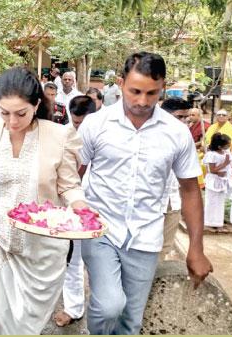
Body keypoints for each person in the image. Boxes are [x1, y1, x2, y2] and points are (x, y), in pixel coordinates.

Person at [77, 52, 212, 335]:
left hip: (146, 235)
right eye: (135, 91)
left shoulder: (176, 133)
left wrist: (196, 249)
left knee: (130, 321)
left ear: (163, 86)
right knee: (108, 305)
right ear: (120, 83)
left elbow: (190, 190)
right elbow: (74, 175)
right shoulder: (95, 125)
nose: (142, 101)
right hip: (99, 230)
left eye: (152, 93)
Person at [0, 67, 90, 335]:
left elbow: (69, 186)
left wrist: (82, 209)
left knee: (24, 326)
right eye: (4, 112)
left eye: (20, 113)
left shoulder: (59, 136)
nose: (12, 121)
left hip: (41, 250)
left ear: (36, 104)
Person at [52, 94, 98, 328]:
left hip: (102, 205)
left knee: (103, 260)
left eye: (83, 123)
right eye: (76, 122)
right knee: (72, 259)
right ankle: (74, 307)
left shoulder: (104, 132)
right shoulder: (64, 135)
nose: (79, 127)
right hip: (73, 206)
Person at [157, 98, 193, 262]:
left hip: (172, 201)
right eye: (180, 117)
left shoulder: (185, 139)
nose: (184, 122)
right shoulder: (148, 137)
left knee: (165, 247)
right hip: (151, 202)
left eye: (187, 118)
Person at [203, 133, 232, 233]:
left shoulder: (225, 152)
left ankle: (218, 223)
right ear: (219, 146)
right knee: (211, 202)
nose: (229, 146)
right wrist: (224, 164)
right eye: (227, 144)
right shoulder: (212, 154)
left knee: (220, 203)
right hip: (213, 181)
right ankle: (208, 223)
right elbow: (212, 169)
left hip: (222, 181)